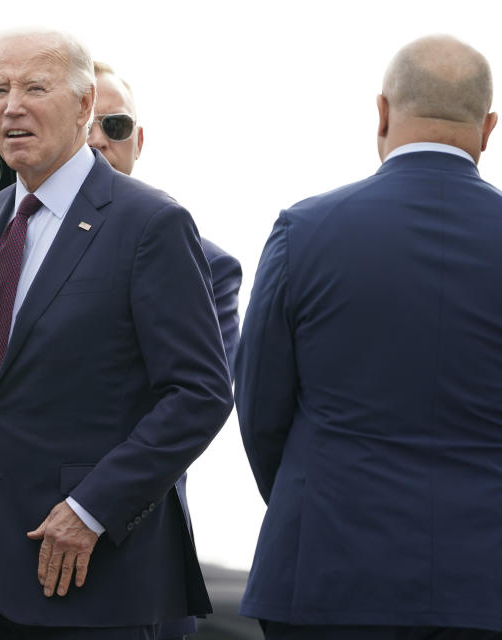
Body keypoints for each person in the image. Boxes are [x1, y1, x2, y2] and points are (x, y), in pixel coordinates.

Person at [0, 27, 233, 639]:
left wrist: (91, 509)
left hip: (94, 581)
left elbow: (200, 395)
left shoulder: (149, 224)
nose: (12, 106)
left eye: (35, 87)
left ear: (85, 106)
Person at [236, 35, 502, 639]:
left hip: (327, 572)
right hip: (485, 583)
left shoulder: (303, 230)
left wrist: (313, 497)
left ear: (381, 112)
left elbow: (259, 410)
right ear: (488, 127)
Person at [88, 60, 241, 640]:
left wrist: (88, 509)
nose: (100, 139)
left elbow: (197, 406)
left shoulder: (205, 263)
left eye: (117, 125)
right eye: (85, 125)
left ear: (139, 141)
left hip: (133, 551)